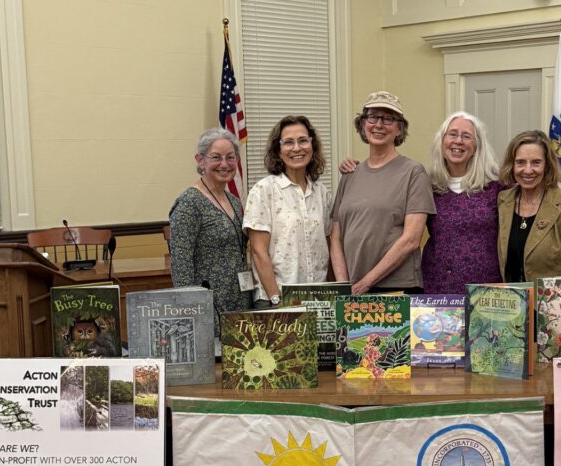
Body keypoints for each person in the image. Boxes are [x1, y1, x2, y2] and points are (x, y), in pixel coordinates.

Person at [421, 113, 561, 294]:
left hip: (491, 291)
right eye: (452, 134)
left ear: (477, 145)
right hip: (438, 285)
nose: (458, 141)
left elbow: (534, 188)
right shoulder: (426, 186)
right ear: (441, 140)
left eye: (466, 136)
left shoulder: (497, 186)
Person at [330, 91, 436, 294]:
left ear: (399, 128)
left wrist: (365, 283)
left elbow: (411, 239)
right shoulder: (350, 174)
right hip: (352, 288)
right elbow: (336, 237)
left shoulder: (413, 172)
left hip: (395, 289)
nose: (379, 124)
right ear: (362, 124)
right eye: (372, 117)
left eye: (388, 119)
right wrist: (344, 286)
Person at [242, 115, 331, 309]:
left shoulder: (321, 193)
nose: (297, 148)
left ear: (312, 145)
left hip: (317, 300)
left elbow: (328, 247)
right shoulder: (264, 190)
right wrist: (277, 300)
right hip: (276, 300)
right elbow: (258, 252)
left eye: (303, 140)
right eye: (288, 142)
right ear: (278, 150)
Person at [169, 128, 252, 333]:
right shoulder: (189, 203)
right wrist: (190, 309)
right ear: (200, 160)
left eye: (230, 157)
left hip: (238, 300)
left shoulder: (233, 201)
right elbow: (181, 262)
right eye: (216, 157)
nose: (224, 164)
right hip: (207, 305)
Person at [496, 129, 561, 283]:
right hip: (512, 303)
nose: (528, 170)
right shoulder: (502, 202)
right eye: (520, 162)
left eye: (536, 162)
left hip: (553, 304)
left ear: (547, 165)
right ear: (512, 165)